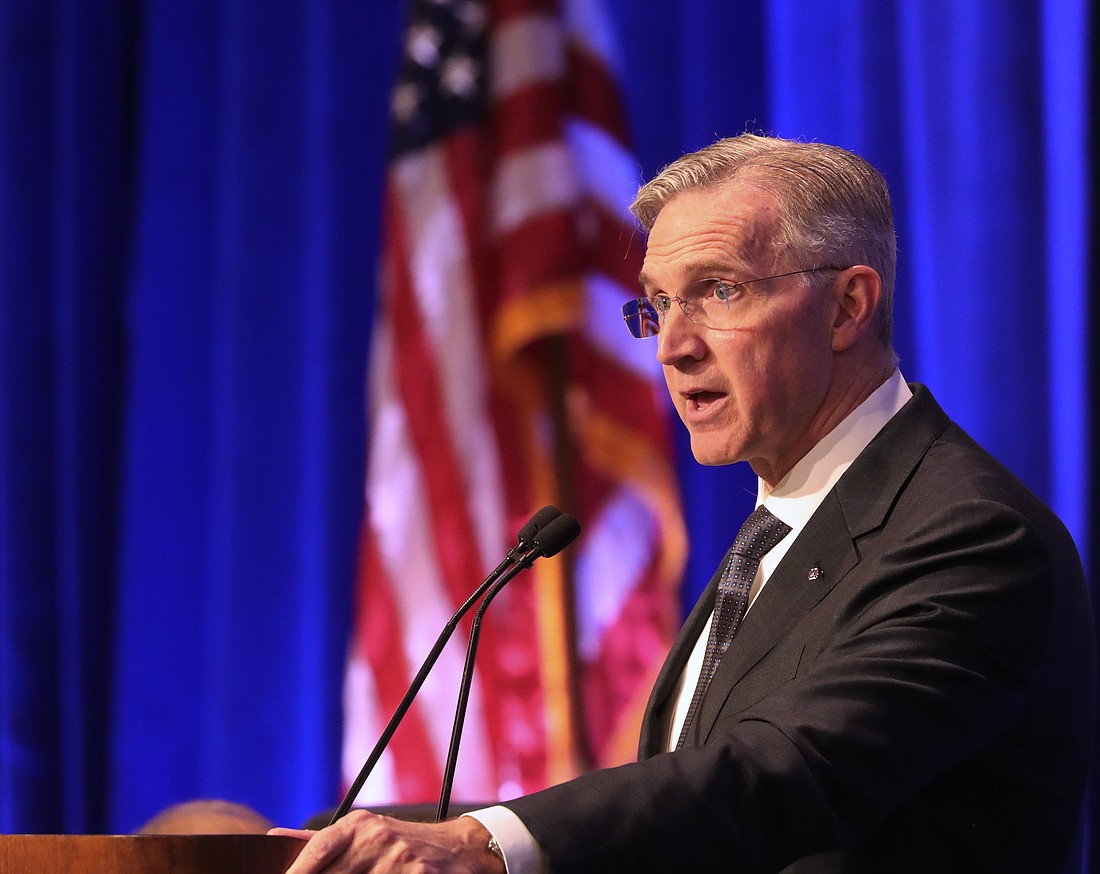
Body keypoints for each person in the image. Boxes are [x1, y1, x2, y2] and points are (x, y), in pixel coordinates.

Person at [272, 134, 1096, 872]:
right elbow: (676, 822)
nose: (672, 345)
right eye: (659, 303)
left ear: (848, 305)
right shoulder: (778, 533)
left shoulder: (972, 536)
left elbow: (779, 774)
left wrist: (488, 844)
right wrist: (344, 838)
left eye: (720, 291)